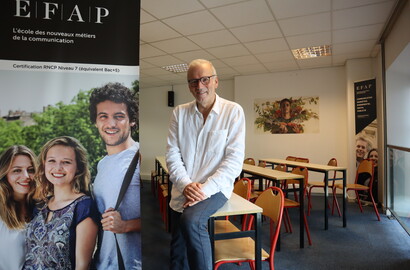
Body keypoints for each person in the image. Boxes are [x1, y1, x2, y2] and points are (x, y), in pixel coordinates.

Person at [166, 59, 245, 270]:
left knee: (192, 221)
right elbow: (172, 154)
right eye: (193, 81)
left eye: (204, 79)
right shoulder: (179, 113)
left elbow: (233, 161)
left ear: (216, 81)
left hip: (215, 189)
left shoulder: (233, 111)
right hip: (183, 188)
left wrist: (203, 190)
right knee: (177, 254)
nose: (199, 86)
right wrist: (185, 185)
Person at [23, 136, 98, 270]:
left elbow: (82, 266)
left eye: (66, 162)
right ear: (44, 164)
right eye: (52, 161)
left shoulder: (83, 206)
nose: (58, 168)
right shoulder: (39, 206)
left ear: (78, 168)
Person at [89, 82, 141, 270]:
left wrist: (126, 225)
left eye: (119, 117)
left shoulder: (140, 157)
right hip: (103, 263)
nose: (110, 123)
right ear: (96, 121)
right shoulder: (102, 164)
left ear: (132, 120)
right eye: (103, 116)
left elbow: (165, 218)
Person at [0, 145, 37, 270]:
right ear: (5, 175)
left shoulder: (43, 208)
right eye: (17, 170)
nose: (26, 176)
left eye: (31, 170)